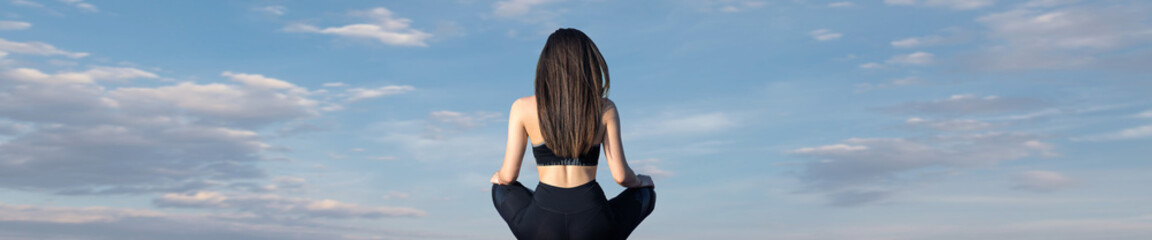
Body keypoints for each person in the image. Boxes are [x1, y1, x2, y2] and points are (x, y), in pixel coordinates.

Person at [490, 28, 656, 240]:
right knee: (646, 195)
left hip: (540, 225)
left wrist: (499, 178)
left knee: (500, 190)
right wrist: (641, 182)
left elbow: (509, 176)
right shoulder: (605, 108)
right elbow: (622, 177)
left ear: (546, 65)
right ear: (588, 64)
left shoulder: (522, 107)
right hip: (594, 222)